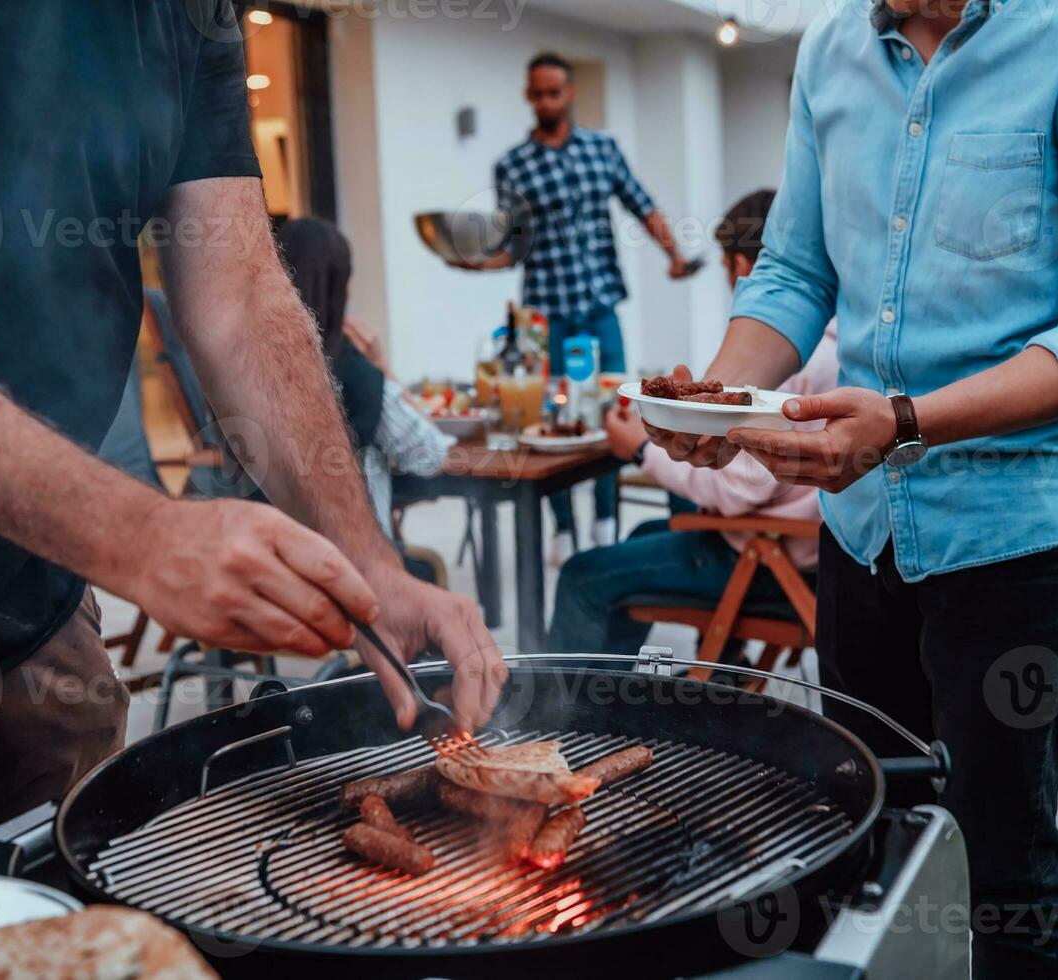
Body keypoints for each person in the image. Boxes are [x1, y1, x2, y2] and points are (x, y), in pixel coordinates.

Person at [0, 2, 504, 878]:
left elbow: (243, 297)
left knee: (69, 934)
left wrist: (371, 564)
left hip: (38, 606)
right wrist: (139, 536)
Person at [645, 1, 1058, 975]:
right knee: (861, 835)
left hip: (1025, 535)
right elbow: (794, 270)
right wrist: (722, 401)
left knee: (999, 865)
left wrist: (905, 422)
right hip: (863, 537)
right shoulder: (829, 46)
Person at [549, 190, 838, 658]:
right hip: (802, 551)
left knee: (582, 575)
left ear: (744, 269)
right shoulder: (836, 342)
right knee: (647, 534)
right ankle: (713, 671)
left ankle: (570, 719)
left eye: (729, 273)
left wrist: (641, 451)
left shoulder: (792, 362)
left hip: (771, 558)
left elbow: (744, 489)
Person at [453, 52, 692, 563]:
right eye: (537, 93)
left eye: (553, 92)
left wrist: (674, 253)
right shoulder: (512, 165)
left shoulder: (602, 150)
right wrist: (476, 265)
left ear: (570, 92)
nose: (546, 101)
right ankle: (562, 528)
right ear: (528, 96)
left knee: (610, 411)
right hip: (545, 315)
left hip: (600, 306)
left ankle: (605, 523)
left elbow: (640, 203)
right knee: (551, 419)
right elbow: (513, 245)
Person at [278, 218, 456, 557]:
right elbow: (432, 455)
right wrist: (382, 366)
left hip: (276, 569)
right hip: (360, 573)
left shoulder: (244, 369)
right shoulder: (358, 378)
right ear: (338, 290)